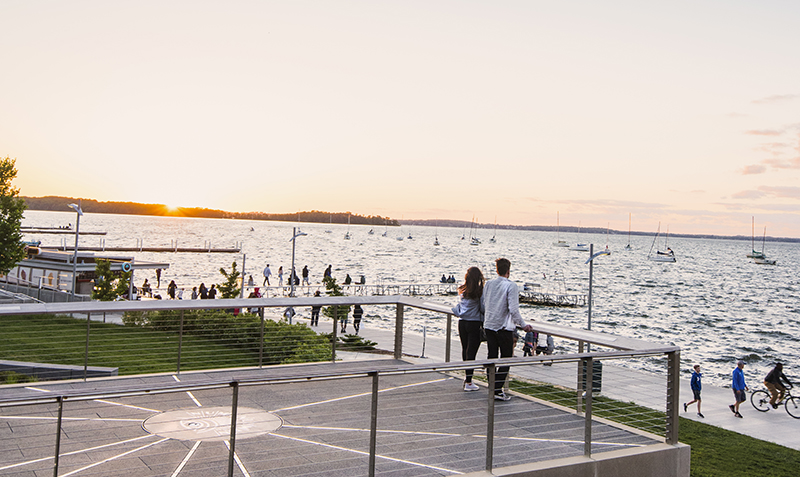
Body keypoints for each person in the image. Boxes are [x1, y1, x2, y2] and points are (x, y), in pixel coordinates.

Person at [483, 258, 533, 401]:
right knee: (506, 358)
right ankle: (497, 389)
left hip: (490, 325)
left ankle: (492, 386)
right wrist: (523, 325)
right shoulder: (511, 286)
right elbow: (513, 309)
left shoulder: (489, 284)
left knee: (491, 356)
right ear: (508, 271)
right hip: (504, 327)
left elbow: (485, 303)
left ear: (497, 269)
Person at [451, 266, 485, 392]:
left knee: (465, 350)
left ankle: (467, 378)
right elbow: (482, 308)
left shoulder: (463, 290)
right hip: (474, 323)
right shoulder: (479, 291)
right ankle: (469, 381)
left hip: (462, 323)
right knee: (472, 352)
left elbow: (459, 306)